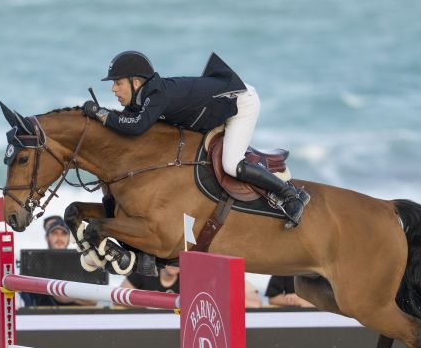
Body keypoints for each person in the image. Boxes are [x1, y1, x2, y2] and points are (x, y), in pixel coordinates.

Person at [82, 51, 309, 226]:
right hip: (214, 109)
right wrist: (102, 116)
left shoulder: (156, 94)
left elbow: (136, 126)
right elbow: (126, 122)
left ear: (136, 82)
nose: (113, 89)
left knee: (231, 164)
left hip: (240, 103)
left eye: (117, 83)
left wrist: (101, 113)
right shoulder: (143, 98)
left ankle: (291, 195)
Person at [21, 215, 95, 308]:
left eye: (64, 233)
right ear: (47, 238)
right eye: (55, 233)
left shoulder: (80, 263)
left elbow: (93, 300)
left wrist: (67, 295)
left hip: (75, 317)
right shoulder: (34, 262)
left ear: (69, 239)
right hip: (40, 318)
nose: (59, 238)